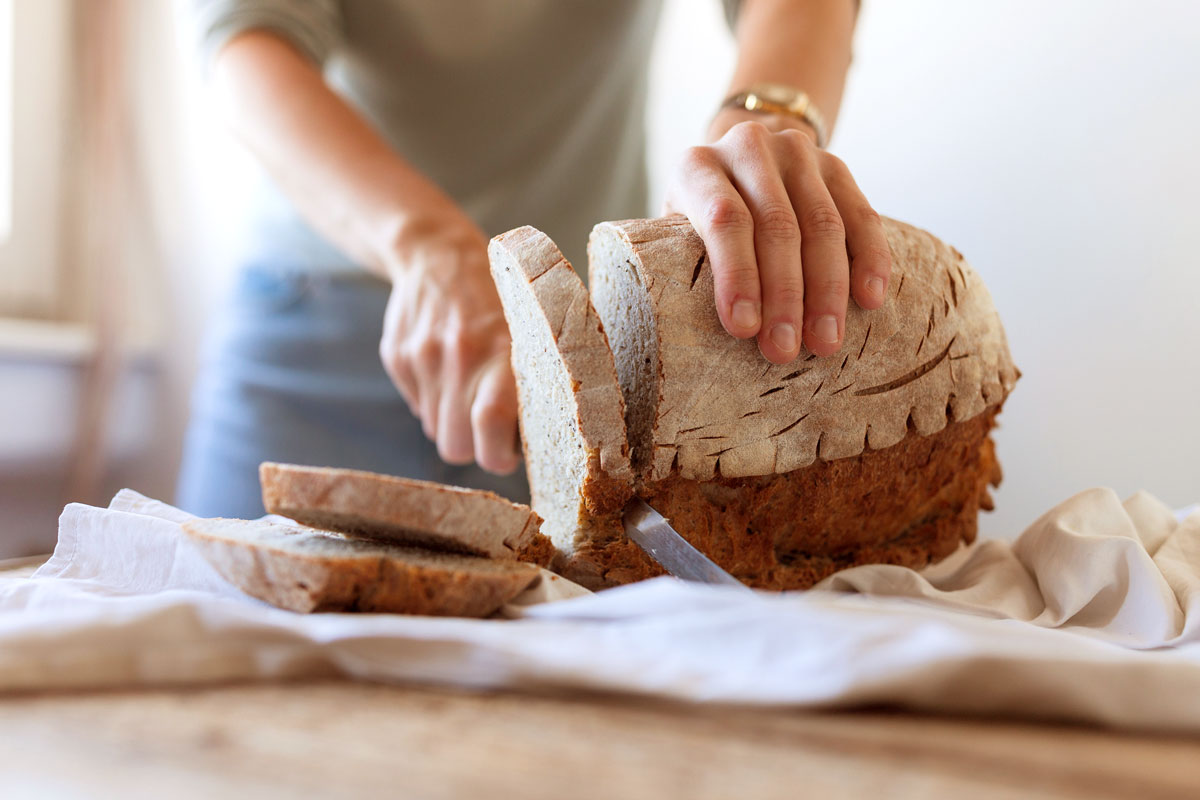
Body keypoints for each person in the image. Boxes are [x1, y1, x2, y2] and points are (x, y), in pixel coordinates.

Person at [176, 0, 891, 518]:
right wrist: (429, 245)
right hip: (314, 330)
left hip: (582, 357)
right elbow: (248, 41)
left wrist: (762, 123)